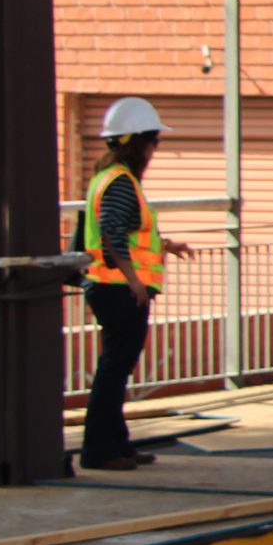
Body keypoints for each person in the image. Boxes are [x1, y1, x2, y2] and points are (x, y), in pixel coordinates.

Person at [77, 97, 196, 471]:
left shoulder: (109, 178)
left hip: (112, 286)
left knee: (117, 368)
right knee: (114, 369)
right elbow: (112, 235)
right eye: (155, 141)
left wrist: (167, 245)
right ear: (138, 142)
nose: (156, 149)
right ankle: (99, 450)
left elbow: (126, 233)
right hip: (117, 288)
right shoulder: (120, 183)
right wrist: (134, 282)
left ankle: (118, 444)